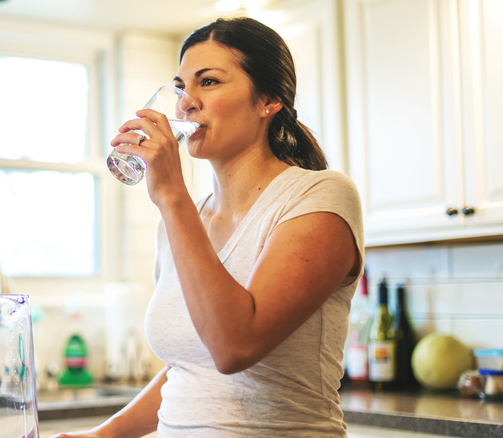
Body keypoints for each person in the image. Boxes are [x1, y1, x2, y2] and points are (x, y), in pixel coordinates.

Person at [52, 16, 363, 438]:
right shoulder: (183, 221)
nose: (185, 103)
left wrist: (171, 196)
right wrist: (100, 436)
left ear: (268, 99)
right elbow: (189, 371)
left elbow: (234, 346)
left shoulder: (320, 196)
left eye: (209, 82)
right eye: (180, 87)